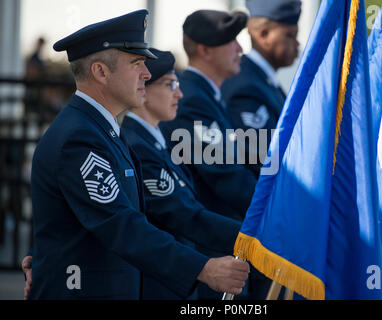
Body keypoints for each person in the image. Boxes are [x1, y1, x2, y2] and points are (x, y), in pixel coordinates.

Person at [25, 9, 249, 300]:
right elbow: (121, 225)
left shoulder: (99, 130)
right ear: (100, 72)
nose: (146, 73)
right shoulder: (80, 138)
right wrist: (203, 268)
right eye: (136, 63)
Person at [159, 9, 267, 300]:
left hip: (223, 243)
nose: (240, 49)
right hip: (211, 250)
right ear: (205, 50)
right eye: (231, 41)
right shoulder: (192, 100)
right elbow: (226, 177)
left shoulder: (206, 97)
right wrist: (277, 211)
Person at [120, 48, 243, 299]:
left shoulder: (153, 141)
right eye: (170, 84)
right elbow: (184, 215)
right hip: (159, 287)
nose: (179, 93)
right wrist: (250, 238)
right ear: (142, 90)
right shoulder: (139, 147)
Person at [221, 0, 301, 175]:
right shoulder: (245, 86)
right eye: (290, 35)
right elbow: (261, 161)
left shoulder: (265, 82)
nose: (297, 43)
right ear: (263, 34)